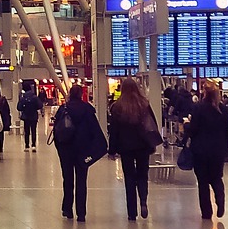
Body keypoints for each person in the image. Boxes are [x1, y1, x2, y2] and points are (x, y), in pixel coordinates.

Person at [51, 84, 105, 221]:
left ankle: (67, 209)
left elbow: (56, 131)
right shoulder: (87, 109)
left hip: (66, 149)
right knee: (81, 180)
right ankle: (81, 213)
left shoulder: (63, 109)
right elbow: (95, 131)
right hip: (82, 150)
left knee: (67, 179)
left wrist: (60, 148)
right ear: (81, 94)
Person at [109, 77, 158, 221]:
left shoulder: (118, 107)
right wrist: (152, 144)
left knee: (129, 177)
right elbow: (152, 124)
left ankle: (132, 212)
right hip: (143, 146)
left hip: (126, 147)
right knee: (143, 175)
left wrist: (112, 150)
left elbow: (114, 130)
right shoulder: (144, 104)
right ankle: (143, 201)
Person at [186, 82, 228, 220]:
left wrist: (187, 124)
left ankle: (206, 212)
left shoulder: (198, 108)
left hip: (200, 150)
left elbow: (193, 130)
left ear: (204, 92)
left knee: (203, 182)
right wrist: (226, 148)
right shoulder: (223, 110)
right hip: (218, 150)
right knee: (216, 178)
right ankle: (220, 200)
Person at [17, 80, 42, 150]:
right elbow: (40, 105)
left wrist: (24, 108)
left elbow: (19, 107)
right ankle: (33, 145)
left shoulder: (23, 98)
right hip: (34, 116)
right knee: (33, 130)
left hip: (26, 116)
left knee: (26, 131)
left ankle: (27, 145)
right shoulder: (35, 97)